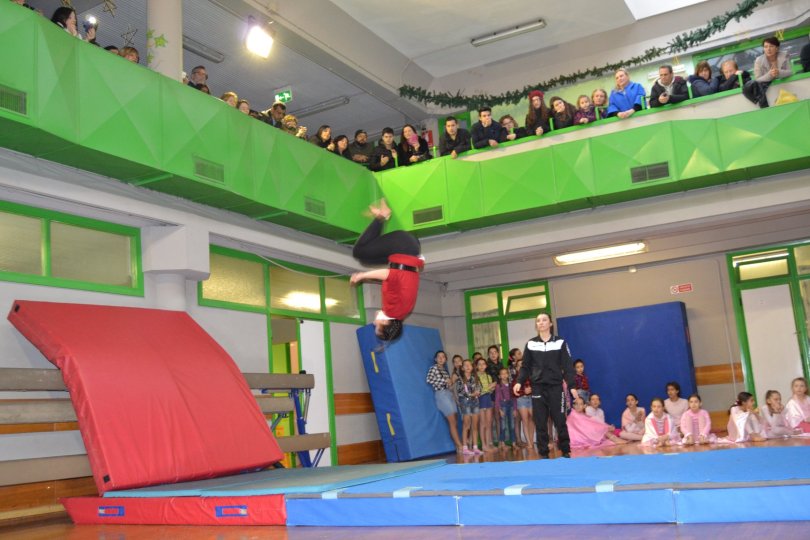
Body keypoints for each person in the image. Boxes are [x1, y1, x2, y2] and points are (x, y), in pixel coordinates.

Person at [350, 199, 423, 341]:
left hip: (411, 248)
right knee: (359, 252)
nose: (373, 322)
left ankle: (381, 216)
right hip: (403, 246)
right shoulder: (392, 309)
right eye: (376, 326)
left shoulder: (402, 312)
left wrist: (369, 277)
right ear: (385, 323)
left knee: (366, 259)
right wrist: (362, 276)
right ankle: (382, 215)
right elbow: (391, 274)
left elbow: (398, 279)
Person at [513, 312, 577, 458]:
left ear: (550, 324)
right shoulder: (531, 343)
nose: (541, 323)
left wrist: (572, 386)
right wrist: (519, 382)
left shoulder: (560, 342)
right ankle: (543, 453)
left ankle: (565, 450)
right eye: (538, 321)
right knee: (540, 421)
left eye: (544, 320)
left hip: (556, 387)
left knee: (560, 420)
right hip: (538, 388)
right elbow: (525, 367)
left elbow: (568, 366)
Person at [425, 350, 463, 453]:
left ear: (446, 359)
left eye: (443, 357)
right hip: (441, 394)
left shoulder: (445, 370)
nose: (441, 358)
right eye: (439, 357)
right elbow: (428, 380)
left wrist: (451, 384)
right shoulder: (433, 368)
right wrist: (443, 381)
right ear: (435, 359)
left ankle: (457, 445)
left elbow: (449, 384)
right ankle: (459, 445)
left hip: (448, 394)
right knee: (452, 421)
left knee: (454, 420)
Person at [744, 37, 793, 108]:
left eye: (771, 46)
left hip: (786, 88)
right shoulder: (759, 60)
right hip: (768, 91)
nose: (768, 49)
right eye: (765, 47)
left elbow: (790, 72)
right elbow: (757, 79)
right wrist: (770, 75)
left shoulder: (784, 55)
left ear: (777, 48)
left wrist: (778, 72)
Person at [455, 359, 482, 455]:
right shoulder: (460, 380)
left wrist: (477, 393)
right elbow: (460, 392)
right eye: (465, 365)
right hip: (465, 402)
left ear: (472, 367)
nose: (467, 367)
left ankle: (475, 447)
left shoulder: (475, 378)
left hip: (475, 402)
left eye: (469, 365)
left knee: (475, 425)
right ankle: (465, 447)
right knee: (466, 424)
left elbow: (479, 388)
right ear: (462, 368)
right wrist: (471, 394)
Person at [512, 356, 534, 449]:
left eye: (523, 365)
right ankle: (529, 443)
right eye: (519, 366)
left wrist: (531, 389)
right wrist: (523, 392)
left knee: (532, 419)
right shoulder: (515, 379)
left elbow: (536, 386)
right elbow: (514, 393)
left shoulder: (531, 376)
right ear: (516, 368)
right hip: (521, 400)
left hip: (531, 398)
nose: (521, 367)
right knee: (525, 420)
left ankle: (532, 441)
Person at [475, 357, 496, 451]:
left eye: (483, 364)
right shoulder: (475, 377)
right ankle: (483, 445)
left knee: (488, 423)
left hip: (488, 398)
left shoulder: (488, 376)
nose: (481, 366)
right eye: (479, 364)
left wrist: (492, 388)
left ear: (486, 366)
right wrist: (489, 387)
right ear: (476, 366)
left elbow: (490, 390)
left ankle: (488, 444)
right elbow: (478, 390)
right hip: (481, 399)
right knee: (482, 423)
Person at [494, 367, 516, 450]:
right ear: (499, 376)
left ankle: (513, 442)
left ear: (508, 375)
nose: (504, 375)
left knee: (512, 425)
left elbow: (514, 398)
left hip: (511, 405)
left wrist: (514, 409)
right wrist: (499, 409)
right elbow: (497, 399)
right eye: (502, 374)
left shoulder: (511, 385)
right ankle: (502, 443)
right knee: (503, 426)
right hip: (503, 406)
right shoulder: (498, 386)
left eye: (505, 373)